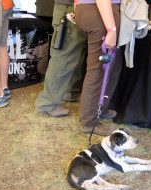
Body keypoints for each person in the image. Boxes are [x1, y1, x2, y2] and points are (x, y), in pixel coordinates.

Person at [74, 0, 122, 136]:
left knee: (112, 66)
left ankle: (101, 108)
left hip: (90, 10)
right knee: (98, 70)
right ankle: (89, 122)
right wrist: (111, 29)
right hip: (101, 14)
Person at [35, 0, 87, 117]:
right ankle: (47, 103)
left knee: (74, 53)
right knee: (64, 57)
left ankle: (72, 92)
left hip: (73, 7)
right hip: (69, 8)